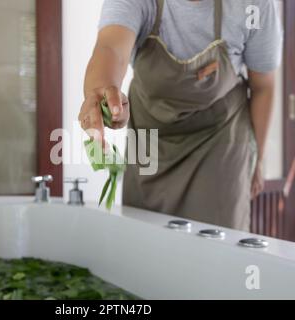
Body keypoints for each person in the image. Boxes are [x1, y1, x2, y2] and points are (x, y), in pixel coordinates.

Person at [78, 0, 283, 231]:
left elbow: (263, 86)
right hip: (150, 138)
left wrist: (258, 159)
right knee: (144, 240)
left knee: (216, 247)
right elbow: (111, 49)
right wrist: (100, 89)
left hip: (220, 140)